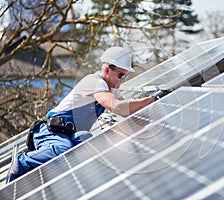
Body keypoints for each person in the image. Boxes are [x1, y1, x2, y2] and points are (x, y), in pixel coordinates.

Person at [6, 46, 155, 183]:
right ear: (108, 70)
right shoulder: (94, 82)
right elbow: (117, 107)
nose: (123, 80)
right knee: (62, 150)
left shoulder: (112, 88)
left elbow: (126, 110)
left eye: (126, 76)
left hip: (68, 134)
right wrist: (151, 99)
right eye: (121, 75)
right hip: (49, 131)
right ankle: (22, 162)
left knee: (88, 143)